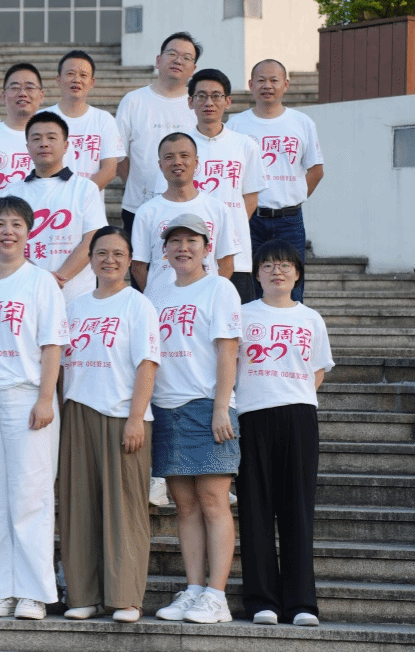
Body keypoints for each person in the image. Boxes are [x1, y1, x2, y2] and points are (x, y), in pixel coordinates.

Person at [0, 195, 69, 621]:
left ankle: (33, 592)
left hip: (26, 397)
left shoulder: (40, 281)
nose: (7, 232)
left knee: (31, 497)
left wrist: (46, 398)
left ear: (29, 232)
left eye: (15, 224)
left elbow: (53, 344)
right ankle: (0, 590)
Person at [58, 227, 161, 624]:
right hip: (78, 411)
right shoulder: (76, 307)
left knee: (124, 509)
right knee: (78, 508)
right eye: (101, 253)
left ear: (130, 260)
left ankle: (125, 597)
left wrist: (136, 417)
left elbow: (147, 363)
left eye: (118, 253)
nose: (110, 260)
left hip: (122, 414)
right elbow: (63, 365)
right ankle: (83, 594)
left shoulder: (138, 305)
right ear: (91, 259)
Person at [145, 215, 242, 625]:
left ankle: (217, 596)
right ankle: (195, 588)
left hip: (206, 405)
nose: (183, 248)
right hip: (166, 407)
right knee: (184, 505)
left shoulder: (219, 288)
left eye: (191, 241)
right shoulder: (156, 290)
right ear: (164, 250)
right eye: (175, 241)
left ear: (206, 247)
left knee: (214, 502)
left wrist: (221, 406)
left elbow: (228, 349)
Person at [236, 240, 332, 628]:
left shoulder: (311, 318)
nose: (277, 271)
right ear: (256, 274)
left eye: (285, 265)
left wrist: (293, 392)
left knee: (297, 510)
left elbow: (318, 369)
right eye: (268, 265)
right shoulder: (242, 315)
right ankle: (262, 601)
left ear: (298, 273)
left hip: (299, 416)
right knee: (255, 509)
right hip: (251, 415)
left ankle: (301, 602)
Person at [227, 59, 324, 302]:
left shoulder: (302, 123)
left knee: (291, 287)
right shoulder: (236, 124)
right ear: (251, 84)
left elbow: (316, 170)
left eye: (274, 80)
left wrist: (292, 195)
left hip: (289, 221)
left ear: (286, 84)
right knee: (249, 285)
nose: (267, 86)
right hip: (249, 219)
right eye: (261, 80)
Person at [8, 111, 107, 304]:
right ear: (27, 147)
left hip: (76, 298)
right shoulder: (12, 194)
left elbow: (92, 240)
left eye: (51, 137)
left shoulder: (85, 189)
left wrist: (58, 278)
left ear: (66, 146)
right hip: (25, 296)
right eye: (36, 138)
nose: (44, 143)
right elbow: (6, 245)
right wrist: (40, 279)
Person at [187, 68, 266, 304]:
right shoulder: (179, 145)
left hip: (236, 254)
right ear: (190, 102)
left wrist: (230, 229)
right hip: (190, 252)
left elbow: (250, 197)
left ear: (228, 101)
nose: (209, 102)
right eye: (201, 96)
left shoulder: (245, 145)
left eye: (216, 96)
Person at [115, 32, 200, 239]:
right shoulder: (133, 101)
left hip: (189, 208)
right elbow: (118, 155)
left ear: (194, 69)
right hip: (138, 207)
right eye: (172, 54)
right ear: (158, 60)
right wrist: (138, 186)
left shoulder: (198, 105)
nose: (178, 61)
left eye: (186, 57)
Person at [130, 132, 239, 292]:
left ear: (196, 162)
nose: (177, 162)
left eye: (184, 156)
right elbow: (138, 266)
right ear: (160, 165)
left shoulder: (218, 209)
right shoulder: (146, 212)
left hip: (203, 299)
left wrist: (209, 293)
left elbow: (226, 263)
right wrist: (156, 296)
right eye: (169, 157)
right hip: (162, 302)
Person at [45, 50, 125, 190]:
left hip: (89, 201)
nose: (76, 80)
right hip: (50, 199)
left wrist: (81, 196)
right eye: (70, 74)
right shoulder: (42, 118)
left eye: (83, 75)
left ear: (92, 82)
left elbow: (109, 169)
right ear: (58, 79)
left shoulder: (104, 119)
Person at [0, 63, 44, 194]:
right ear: (3, 96)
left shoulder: (53, 140)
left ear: (41, 96)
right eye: (15, 88)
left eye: (29, 87)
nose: (23, 93)